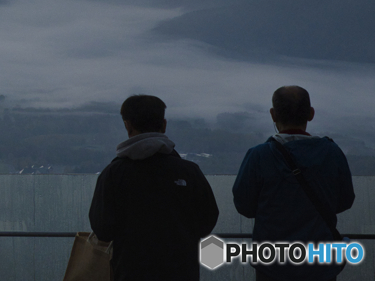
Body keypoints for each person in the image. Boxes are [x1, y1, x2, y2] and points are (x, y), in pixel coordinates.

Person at [89, 95, 219, 281]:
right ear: (163, 125)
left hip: (129, 272)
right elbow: (207, 220)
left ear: (127, 125)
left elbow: (102, 229)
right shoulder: (189, 172)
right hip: (182, 272)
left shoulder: (113, 174)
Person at [232, 86, 354, 281]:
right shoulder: (332, 153)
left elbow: (244, 206)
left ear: (273, 115)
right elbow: (346, 200)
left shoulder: (259, 156)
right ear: (311, 114)